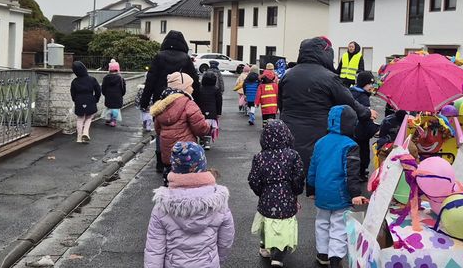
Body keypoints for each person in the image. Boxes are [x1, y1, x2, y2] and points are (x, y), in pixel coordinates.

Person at [278, 37, 374, 174]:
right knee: (315, 172)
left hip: (289, 135)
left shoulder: (288, 75)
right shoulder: (329, 78)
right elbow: (349, 102)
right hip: (318, 135)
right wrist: (367, 113)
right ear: (325, 54)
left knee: (291, 173)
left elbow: (281, 105)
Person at [144, 142, 235, 268]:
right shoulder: (217, 202)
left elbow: (154, 249)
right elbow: (226, 240)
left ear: (174, 168)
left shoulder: (163, 205)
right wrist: (218, 259)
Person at [306, 105, 368, 268]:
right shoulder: (350, 145)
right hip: (341, 194)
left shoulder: (320, 142)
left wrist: (311, 189)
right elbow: (351, 173)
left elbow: (312, 167)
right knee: (339, 225)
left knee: (322, 222)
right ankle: (335, 257)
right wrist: (355, 193)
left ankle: (322, 253)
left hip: (322, 192)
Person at [141, 30, 201, 174]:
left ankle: (160, 160)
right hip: (182, 99)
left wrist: (144, 101)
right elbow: (194, 80)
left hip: (161, 99)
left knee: (161, 130)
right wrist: (198, 101)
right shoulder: (185, 58)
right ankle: (182, 158)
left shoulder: (159, 57)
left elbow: (150, 80)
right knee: (182, 128)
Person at [248, 120, 305, 267]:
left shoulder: (260, 157)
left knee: (266, 222)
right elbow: (298, 177)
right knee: (284, 227)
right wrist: (296, 191)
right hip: (287, 199)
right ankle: (277, 257)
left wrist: (261, 192)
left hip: (266, 198)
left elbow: (253, 179)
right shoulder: (293, 155)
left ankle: (264, 246)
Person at [151, 72, 212, 184]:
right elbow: (200, 128)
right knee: (187, 182)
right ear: (183, 87)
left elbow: (158, 129)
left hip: (168, 153)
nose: (192, 89)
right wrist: (207, 128)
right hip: (187, 152)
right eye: (190, 86)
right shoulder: (188, 104)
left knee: (170, 179)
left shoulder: (161, 105)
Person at [349, 71, 379, 180]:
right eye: (369, 84)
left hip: (351, 129)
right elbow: (365, 118)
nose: (371, 86)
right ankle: (361, 172)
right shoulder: (363, 97)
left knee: (352, 152)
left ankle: (353, 171)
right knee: (363, 153)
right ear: (363, 84)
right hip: (361, 132)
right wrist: (375, 129)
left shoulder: (351, 93)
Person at [70, 61, 101, 143]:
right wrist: (96, 99)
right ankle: (85, 132)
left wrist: (75, 100)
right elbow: (98, 91)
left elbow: (72, 93)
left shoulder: (74, 81)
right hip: (90, 99)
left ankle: (79, 137)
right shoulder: (92, 79)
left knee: (80, 119)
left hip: (79, 100)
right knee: (89, 117)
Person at [197, 71, 223, 149]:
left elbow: (197, 100)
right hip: (212, 111)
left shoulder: (200, 89)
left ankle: (202, 139)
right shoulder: (216, 90)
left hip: (201, 111)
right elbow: (219, 102)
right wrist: (219, 112)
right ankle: (207, 142)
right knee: (209, 127)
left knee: (201, 126)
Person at [101, 59, 126, 127]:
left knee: (108, 107)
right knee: (115, 109)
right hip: (118, 96)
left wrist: (105, 94)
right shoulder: (120, 78)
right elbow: (123, 88)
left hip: (108, 95)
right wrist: (121, 94)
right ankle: (113, 120)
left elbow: (103, 87)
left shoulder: (106, 78)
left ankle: (108, 119)